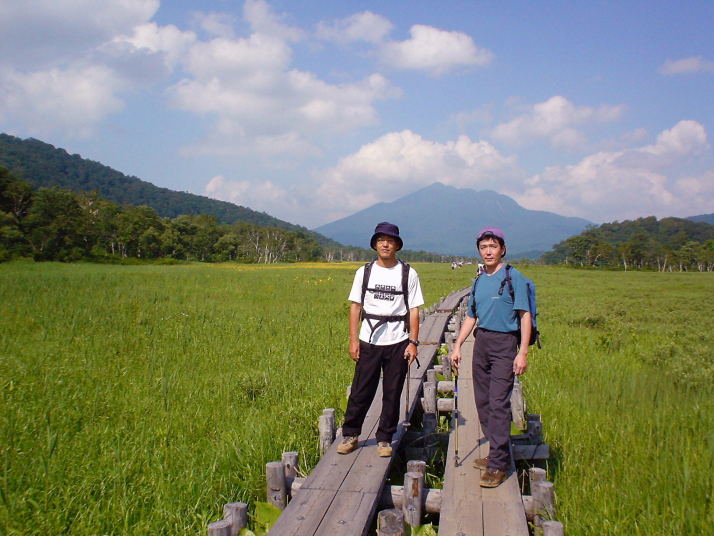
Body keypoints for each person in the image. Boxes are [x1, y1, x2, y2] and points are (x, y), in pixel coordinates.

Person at [450, 227, 531, 487]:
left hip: (505, 344)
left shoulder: (513, 277)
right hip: (481, 342)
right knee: (482, 402)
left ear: (502, 249)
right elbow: (472, 316)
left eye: (493, 246)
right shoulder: (479, 280)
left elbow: (524, 315)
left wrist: (523, 352)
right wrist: (458, 345)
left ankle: (497, 464)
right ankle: (497, 453)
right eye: (483, 247)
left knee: (498, 403)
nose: (488, 251)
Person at [337, 222, 424, 457]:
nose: (385, 244)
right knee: (360, 390)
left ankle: (385, 438)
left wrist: (413, 342)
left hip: (398, 339)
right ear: (375, 244)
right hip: (369, 339)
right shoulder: (364, 272)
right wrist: (353, 340)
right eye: (381, 240)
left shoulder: (408, 273)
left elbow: (414, 310)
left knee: (392, 391)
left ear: (396, 245)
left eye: (390, 240)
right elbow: (356, 307)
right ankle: (351, 434)